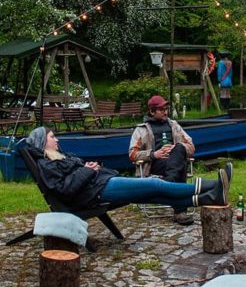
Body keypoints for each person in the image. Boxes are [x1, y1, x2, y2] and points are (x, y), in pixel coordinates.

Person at [27, 127, 232, 210]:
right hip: (97, 191)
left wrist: (89, 167)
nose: (57, 139)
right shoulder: (47, 164)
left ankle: (210, 197)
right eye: (52, 136)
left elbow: (75, 174)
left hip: (98, 185)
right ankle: (213, 185)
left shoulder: (59, 157)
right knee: (154, 183)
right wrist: (88, 170)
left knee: (155, 195)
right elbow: (65, 189)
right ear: (41, 142)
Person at [129, 95, 196, 225]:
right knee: (180, 165)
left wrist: (174, 149)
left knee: (179, 149)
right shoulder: (141, 130)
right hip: (156, 164)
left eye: (166, 109)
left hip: (174, 160)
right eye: (161, 110)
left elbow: (191, 147)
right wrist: (154, 154)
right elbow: (132, 154)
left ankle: (168, 182)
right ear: (152, 111)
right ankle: (180, 212)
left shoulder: (174, 126)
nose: (166, 112)